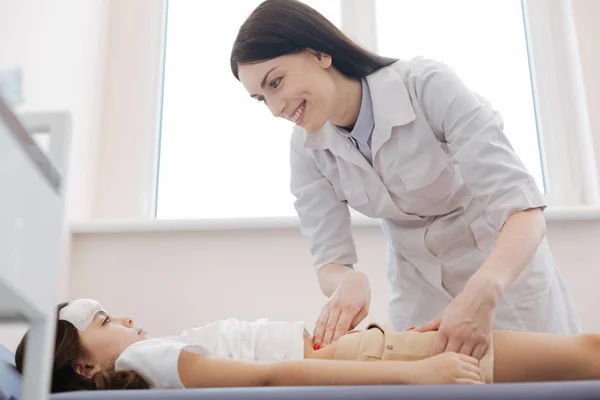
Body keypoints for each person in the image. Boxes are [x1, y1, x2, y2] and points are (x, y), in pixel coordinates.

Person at [229, 0, 581, 358]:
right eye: (262, 98)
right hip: (418, 290)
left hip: (501, 277)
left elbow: (524, 211)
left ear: (320, 53)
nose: (275, 109)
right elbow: (330, 262)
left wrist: (482, 291)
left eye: (276, 82)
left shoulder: (426, 86)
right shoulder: (307, 148)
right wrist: (349, 282)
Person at [13, 298, 600, 393]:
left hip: (364, 348)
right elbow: (274, 378)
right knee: (586, 354)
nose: (129, 319)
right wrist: (415, 374)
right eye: (107, 317)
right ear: (84, 362)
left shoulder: (148, 363)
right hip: (369, 358)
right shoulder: (147, 359)